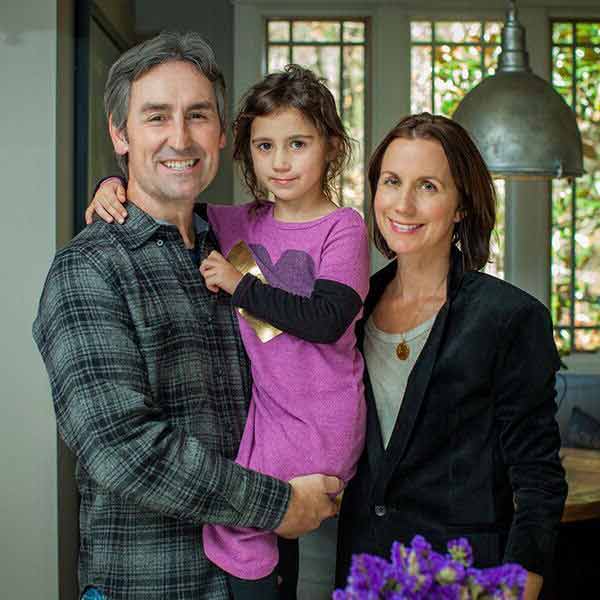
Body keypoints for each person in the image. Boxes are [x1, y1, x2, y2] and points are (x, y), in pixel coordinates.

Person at [33, 32, 342, 600]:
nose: (180, 137)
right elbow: (123, 448)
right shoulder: (87, 272)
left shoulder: (238, 252)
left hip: (261, 577)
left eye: (197, 115)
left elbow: (304, 366)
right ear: (119, 133)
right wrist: (278, 505)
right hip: (153, 584)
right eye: (156, 117)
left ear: (223, 136)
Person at [334, 113, 568, 600]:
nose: (403, 203)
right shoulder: (349, 312)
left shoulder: (510, 318)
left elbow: (538, 478)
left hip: (465, 580)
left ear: (461, 205)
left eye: (428, 186)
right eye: (392, 182)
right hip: (366, 574)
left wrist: (521, 585)